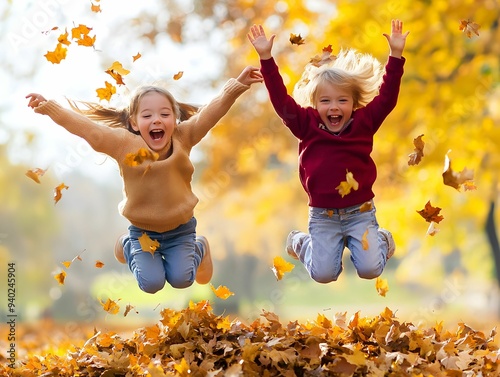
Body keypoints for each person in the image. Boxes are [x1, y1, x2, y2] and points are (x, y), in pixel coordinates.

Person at [26, 66, 263, 293]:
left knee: (182, 280)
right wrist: (49, 107)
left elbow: (211, 113)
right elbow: (91, 130)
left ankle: (199, 247)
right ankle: (127, 245)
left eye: (164, 114)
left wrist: (238, 85)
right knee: (151, 284)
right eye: (147, 115)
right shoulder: (123, 145)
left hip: (181, 230)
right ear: (133, 123)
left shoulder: (184, 137)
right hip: (142, 233)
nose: (157, 120)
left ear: (175, 119)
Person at [248, 20, 409, 283]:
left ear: (354, 103)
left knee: (370, 270)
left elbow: (388, 98)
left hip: (360, 212)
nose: (334, 107)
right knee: (324, 274)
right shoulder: (306, 124)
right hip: (324, 215)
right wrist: (266, 58)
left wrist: (396, 56)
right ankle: (302, 243)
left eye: (342, 100)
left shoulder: (364, 122)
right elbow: (280, 100)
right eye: (325, 101)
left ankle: (381, 239)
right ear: (314, 104)